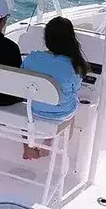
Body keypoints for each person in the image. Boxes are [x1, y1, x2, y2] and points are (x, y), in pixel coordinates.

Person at [20, 16, 89, 159]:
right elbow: (75, 91)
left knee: (26, 109)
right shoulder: (74, 65)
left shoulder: (32, 58)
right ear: (71, 39)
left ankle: (28, 146)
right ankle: (49, 141)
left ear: (47, 38)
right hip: (60, 115)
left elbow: (23, 80)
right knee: (74, 102)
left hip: (33, 110)